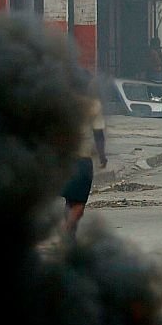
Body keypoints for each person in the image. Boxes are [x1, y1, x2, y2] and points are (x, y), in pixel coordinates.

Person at [61, 85, 107, 237]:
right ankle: (66, 230)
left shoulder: (64, 101)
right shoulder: (93, 105)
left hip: (64, 160)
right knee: (79, 204)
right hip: (82, 159)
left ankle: (70, 238)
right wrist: (102, 156)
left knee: (70, 201)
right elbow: (98, 134)